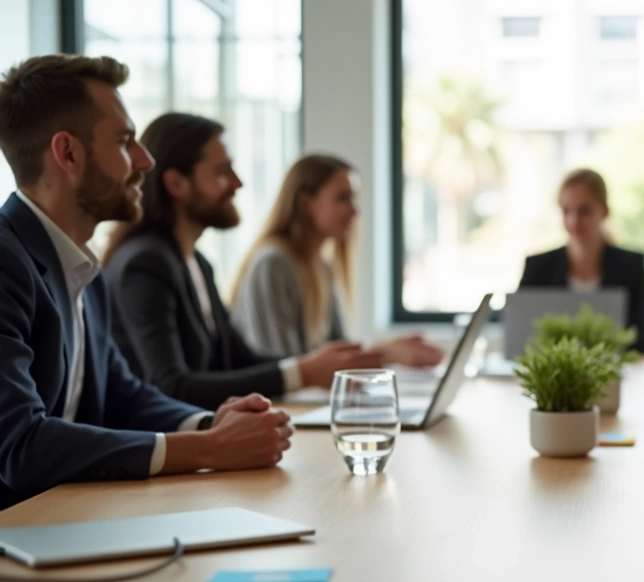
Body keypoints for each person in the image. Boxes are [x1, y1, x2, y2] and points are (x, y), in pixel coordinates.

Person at [0, 54, 292, 509]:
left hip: (70, 521)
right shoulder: (5, 261)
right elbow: (18, 446)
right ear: (68, 153)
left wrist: (210, 423)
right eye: (124, 141)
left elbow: (125, 396)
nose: (146, 160)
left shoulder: (84, 273)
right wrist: (210, 449)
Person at [103, 115, 381, 411]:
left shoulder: (196, 262)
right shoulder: (146, 264)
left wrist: (316, 367)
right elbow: (171, 386)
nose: (238, 183)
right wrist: (304, 372)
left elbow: (239, 359)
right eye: (223, 171)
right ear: (176, 183)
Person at [229, 154, 444, 365]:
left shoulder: (321, 266)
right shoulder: (273, 264)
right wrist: (384, 353)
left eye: (354, 197)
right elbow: (285, 369)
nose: (355, 210)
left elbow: (337, 352)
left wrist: (388, 351)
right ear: (306, 203)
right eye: (343, 197)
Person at [518, 168, 644, 353]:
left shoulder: (630, 267)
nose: (574, 221)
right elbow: (520, 337)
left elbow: (639, 342)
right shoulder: (538, 267)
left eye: (584, 211)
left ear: (604, 212)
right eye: (567, 211)